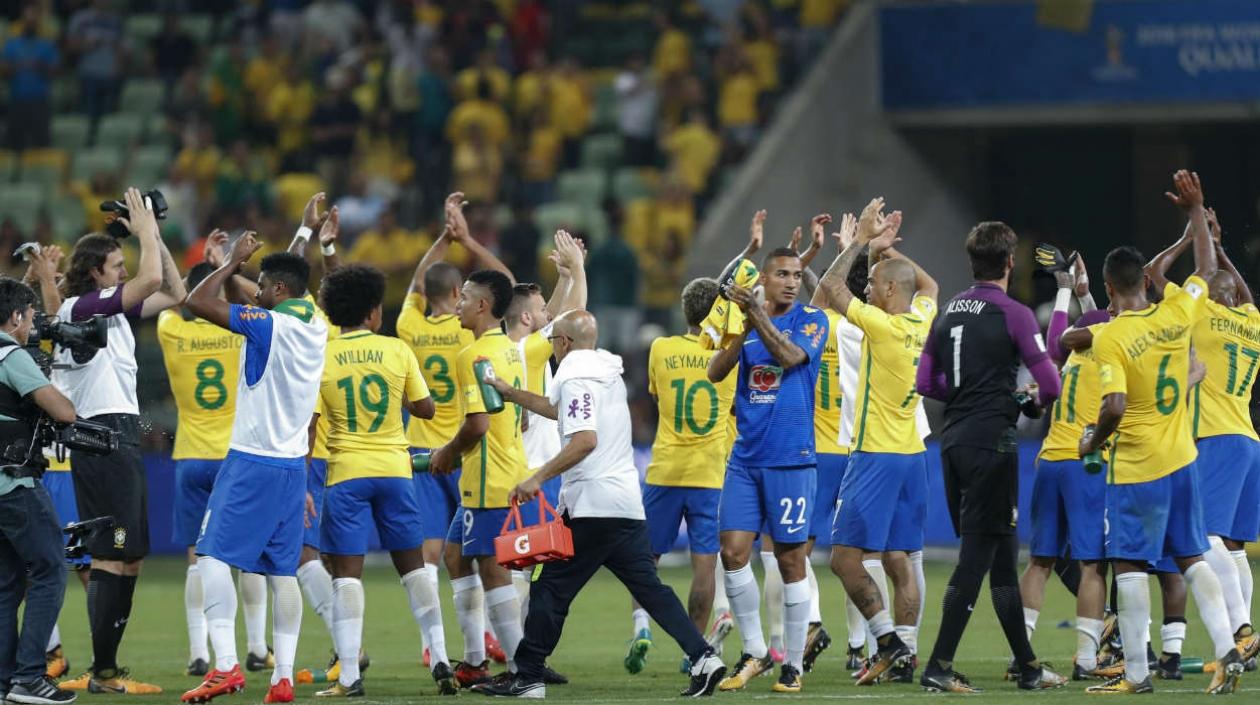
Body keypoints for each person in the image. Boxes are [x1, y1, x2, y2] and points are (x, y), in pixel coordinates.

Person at [474, 310, 727, 698]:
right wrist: (510, 392)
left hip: (591, 506)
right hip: (625, 505)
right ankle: (705, 658)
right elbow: (562, 413)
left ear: (563, 343)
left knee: (549, 589)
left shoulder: (574, 377)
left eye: (555, 340)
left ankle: (528, 676)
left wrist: (536, 478)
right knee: (651, 590)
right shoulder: (607, 372)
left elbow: (584, 439)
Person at [1079, 170, 1245, 694]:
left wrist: (1093, 441)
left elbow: (1114, 407)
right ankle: (1228, 649)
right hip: (1183, 461)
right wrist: (1196, 214)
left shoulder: (1113, 337)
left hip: (1138, 467)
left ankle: (1135, 674)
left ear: (1109, 288)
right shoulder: (1177, 312)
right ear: (1142, 284)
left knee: (1128, 563)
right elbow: (1205, 265)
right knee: (1193, 555)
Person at [915, 220, 1064, 692]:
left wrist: (964, 391)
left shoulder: (949, 312)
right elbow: (1052, 385)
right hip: (991, 445)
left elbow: (925, 383)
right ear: (1008, 262)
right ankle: (938, 665)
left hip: (954, 442)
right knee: (977, 557)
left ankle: (1028, 667)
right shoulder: (1014, 314)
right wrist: (1024, 400)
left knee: (1001, 558)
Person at [181, 234, 328, 705]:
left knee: (210, 556)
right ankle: (282, 677)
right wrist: (298, 238)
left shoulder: (268, 325)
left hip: (252, 460)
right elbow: (264, 294)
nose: (255, 291)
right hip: (291, 466)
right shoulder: (315, 324)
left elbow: (196, 300)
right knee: (282, 571)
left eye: (262, 286)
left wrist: (227, 264)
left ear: (278, 291)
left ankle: (224, 667)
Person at [53, 188, 185, 695]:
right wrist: (145, 226)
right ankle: (103, 673)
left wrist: (155, 235)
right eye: (115, 264)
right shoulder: (82, 308)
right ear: (94, 275)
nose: (124, 270)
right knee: (111, 553)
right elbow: (150, 279)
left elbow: (174, 292)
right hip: (102, 435)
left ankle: (108, 669)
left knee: (130, 555)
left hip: (119, 435)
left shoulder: (110, 314)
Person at [310, 264, 456, 696]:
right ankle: (443, 659)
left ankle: (351, 676)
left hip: (346, 474)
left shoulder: (323, 355)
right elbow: (426, 409)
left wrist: (301, 484)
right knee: (413, 569)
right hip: (395, 470)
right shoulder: (396, 350)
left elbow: (311, 426)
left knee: (347, 576)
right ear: (375, 313)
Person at [817, 200, 937, 685]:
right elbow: (928, 286)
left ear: (889, 290)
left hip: (875, 455)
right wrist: (890, 256)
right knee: (902, 559)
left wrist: (866, 243)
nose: (866, 288)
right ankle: (905, 654)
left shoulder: (882, 326)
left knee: (844, 559)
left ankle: (886, 642)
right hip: (914, 453)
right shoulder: (921, 318)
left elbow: (829, 288)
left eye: (873, 283)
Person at [396, 195, 514, 684]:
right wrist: (468, 241)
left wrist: (442, 242)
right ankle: (481, 645)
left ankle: (437, 648)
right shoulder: (473, 334)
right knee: (468, 551)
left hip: (424, 451)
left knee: (433, 554)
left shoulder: (408, 326)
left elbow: (413, 284)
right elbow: (506, 286)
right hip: (468, 453)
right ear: (459, 295)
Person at [706, 227, 829, 694]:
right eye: (782, 274)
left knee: (790, 561)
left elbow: (792, 357)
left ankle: (792, 665)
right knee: (733, 552)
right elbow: (716, 371)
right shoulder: (751, 328)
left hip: (791, 461)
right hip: (745, 459)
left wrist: (756, 312)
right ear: (765, 279)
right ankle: (755, 651)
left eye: (797, 274)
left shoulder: (812, 321)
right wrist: (742, 326)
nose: (792, 282)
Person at [1146, 207, 1260, 664]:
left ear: (1210, 297)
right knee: (1234, 547)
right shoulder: (1252, 324)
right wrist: (1221, 249)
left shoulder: (1203, 317)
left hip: (1213, 436)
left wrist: (1191, 235)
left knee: (1207, 537)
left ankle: (1240, 630)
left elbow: (1154, 272)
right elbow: (1245, 293)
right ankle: (1248, 640)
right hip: (1249, 440)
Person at [155, 237, 258, 678]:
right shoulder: (240, 333)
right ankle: (255, 647)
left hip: (192, 456)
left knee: (197, 557)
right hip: (236, 455)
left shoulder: (171, 330)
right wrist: (230, 266)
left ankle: (199, 651)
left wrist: (159, 240)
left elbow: (176, 295)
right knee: (249, 553)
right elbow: (244, 300)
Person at [630, 277, 736, 674]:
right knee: (705, 565)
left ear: (684, 311)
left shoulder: (661, 348)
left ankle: (641, 627)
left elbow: (657, 396)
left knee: (644, 560)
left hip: (666, 468)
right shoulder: (729, 357)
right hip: (709, 472)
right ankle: (696, 651)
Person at [429, 269, 528, 685]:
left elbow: (478, 425)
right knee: (454, 556)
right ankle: (473, 662)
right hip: (504, 469)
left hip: (488, 479)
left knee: (493, 571)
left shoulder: (470, 356)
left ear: (483, 306)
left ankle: (525, 673)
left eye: (465, 297)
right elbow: (517, 423)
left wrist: (446, 453)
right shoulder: (512, 349)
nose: (458, 304)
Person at [1023, 249, 1112, 680]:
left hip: (1049, 462)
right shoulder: (1116, 359)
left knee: (1040, 562)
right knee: (1091, 564)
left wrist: (1070, 293)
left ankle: (1022, 655)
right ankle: (1088, 659)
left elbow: (1062, 334)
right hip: (1085, 463)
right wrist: (1085, 293)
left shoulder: (1070, 359)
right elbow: (1111, 327)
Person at [0, 277, 78, 705]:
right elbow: (64, 411)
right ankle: (30, 677)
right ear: (15, 317)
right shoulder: (11, 354)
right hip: (15, 483)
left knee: (6, 585)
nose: (33, 324)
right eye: (30, 317)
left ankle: (4, 681)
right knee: (50, 569)